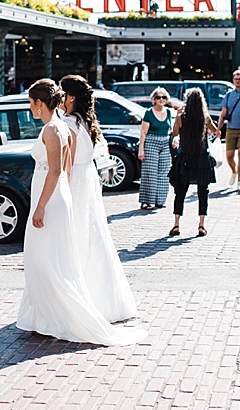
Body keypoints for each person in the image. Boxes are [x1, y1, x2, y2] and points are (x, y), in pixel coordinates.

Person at [16, 79, 145, 346]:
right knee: (49, 257)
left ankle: (59, 314)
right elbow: (66, 170)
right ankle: (46, 314)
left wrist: (40, 206)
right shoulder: (64, 127)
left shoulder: (53, 129)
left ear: (40, 103)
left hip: (50, 197)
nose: (29, 108)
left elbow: (56, 170)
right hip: (58, 194)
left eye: (31, 103)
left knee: (45, 258)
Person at [60, 74, 140, 324]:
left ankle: (78, 296)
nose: (59, 97)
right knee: (91, 235)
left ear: (71, 97)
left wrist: (59, 191)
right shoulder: (84, 121)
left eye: (62, 93)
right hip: (88, 180)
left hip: (76, 182)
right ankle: (102, 296)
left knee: (75, 236)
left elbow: (67, 164)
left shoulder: (69, 124)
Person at [170, 87, 218, 237]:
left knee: (180, 192)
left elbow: (175, 133)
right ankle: (201, 225)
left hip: (185, 159)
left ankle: (176, 224)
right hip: (202, 159)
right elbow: (215, 131)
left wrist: (178, 116)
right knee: (203, 192)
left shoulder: (181, 117)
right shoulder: (205, 118)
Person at [137, 86, 175, 210]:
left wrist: (174, 139)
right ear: (154, 99)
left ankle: (160, 200)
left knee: (164, 173)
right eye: (158, 97)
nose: (161, 99)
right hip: (151, 142)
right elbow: (143, 133)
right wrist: (141, 150)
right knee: (150, 173)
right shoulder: (148, 113)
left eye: (164, 97)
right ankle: (147, 202)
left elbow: (170, 131)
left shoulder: (169, 112)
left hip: (165, 143)